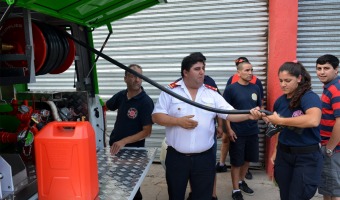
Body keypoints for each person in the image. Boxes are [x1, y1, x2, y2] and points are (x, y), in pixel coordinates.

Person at [152, 52, 262, 200]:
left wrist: (249, 114)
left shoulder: (212, 94)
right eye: (197, 69)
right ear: (185, 72)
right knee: (175, 195)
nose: (202, 72)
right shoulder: (170, 91)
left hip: (204, 159)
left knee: (203, 197)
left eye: (203, 68)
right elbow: (156, 116)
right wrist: (178, 121)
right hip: (177, 159)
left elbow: (229, 113)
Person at [263, 61, 323, 200]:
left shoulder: (309, 97)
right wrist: (276, 150)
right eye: (281, 81)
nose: (283, 84)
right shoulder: (280, 101)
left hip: (306, 157)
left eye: (288, 80)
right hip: (284, 155)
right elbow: (280, 129)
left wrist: (281, 120)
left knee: (298, 196)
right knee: (285, 194)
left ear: (299, 78)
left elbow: (313, 120)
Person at [105, 64, 154, 200]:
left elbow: (147, 132)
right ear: (125, 78)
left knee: (132, 187)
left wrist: (124, 141)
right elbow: (104, 107)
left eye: (140, 76)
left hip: (134, 152)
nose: (137, 79)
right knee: (119, 184)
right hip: (116, 149)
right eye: (133, 76)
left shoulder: (146, 102)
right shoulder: (121, 96)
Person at [216, 57, 264, 181]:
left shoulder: (256, 87)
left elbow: (259, 107)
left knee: (248, 158)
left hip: (252, 131)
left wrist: (268, 118)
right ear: (238, 72)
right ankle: (235, 188)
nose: (250, 73)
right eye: (247, 70)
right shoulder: (231, 87)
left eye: (251, 70)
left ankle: (242, 181)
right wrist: (228, 129)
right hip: (237, 131)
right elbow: (225, 111)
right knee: (236, 161)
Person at [315, 54, 340, 200]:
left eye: (326, 68)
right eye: (319, 68)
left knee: (334, 192)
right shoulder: (329, 87)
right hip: (330, 147)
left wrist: (330, 148)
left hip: (334, 149)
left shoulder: (336, 89)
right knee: (328, 189)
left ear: (336, 70)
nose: (322, 72)